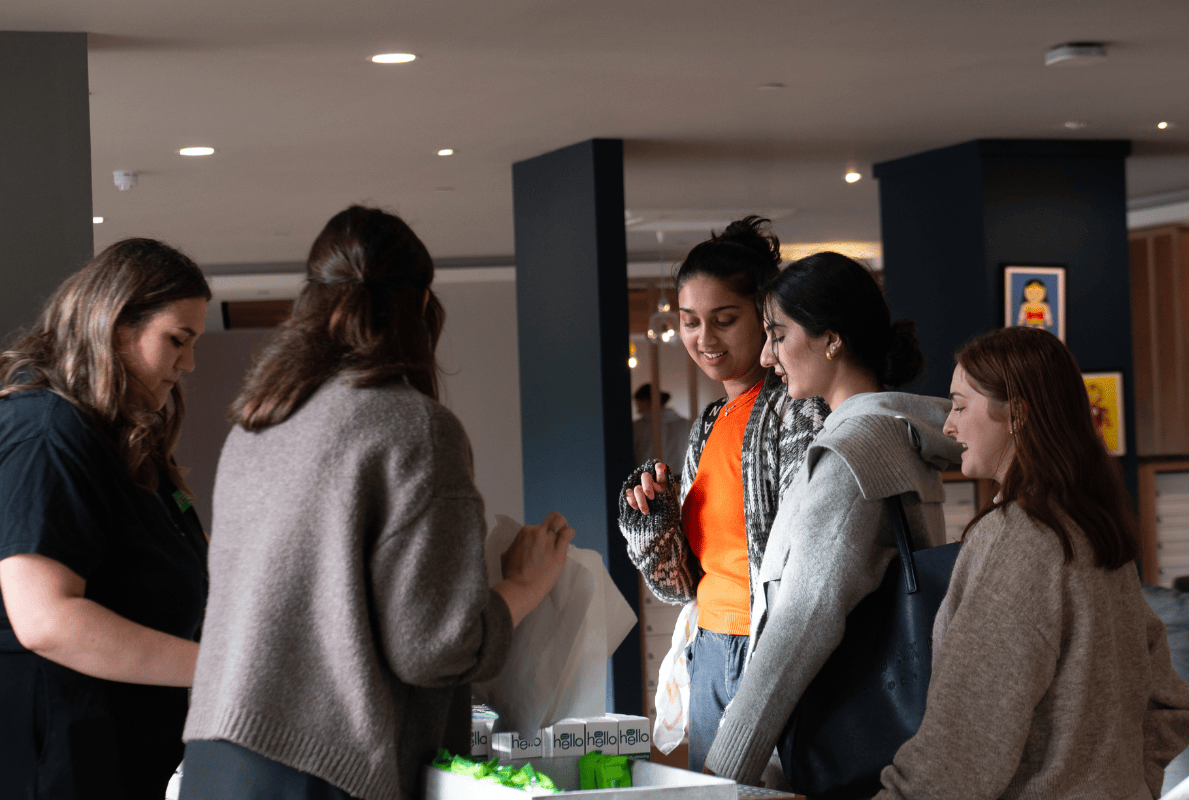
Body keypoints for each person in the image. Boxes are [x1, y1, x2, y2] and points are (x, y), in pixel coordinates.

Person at [180, 206, 574, 800]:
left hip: (217, 758)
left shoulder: (255, 426)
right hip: (327, 768)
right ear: (420, 308)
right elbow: (431, 648)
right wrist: (524, 585)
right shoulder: (415, 428)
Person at [874, 326, 1189, 800]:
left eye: (961, 406)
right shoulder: (1087, 527)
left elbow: (961, 746)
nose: (948, 426)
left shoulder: (1019, 540)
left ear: (1017, 415)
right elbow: (1172, 703)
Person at [701, 251, 960, 784]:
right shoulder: (892, 430)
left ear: (831, 338)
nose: (769, 356)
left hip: (846, 740)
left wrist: (728, 769)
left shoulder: (853, 452)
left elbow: (805, 618)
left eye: (779, 334)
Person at [0, 239, 212, 800]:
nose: (187, 364)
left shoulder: (116, 441)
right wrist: (229, 668)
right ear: (116, 324)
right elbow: (46, 619)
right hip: (60, 766)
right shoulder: (47, 431)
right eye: (177, 339)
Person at [620, 217, 829, 772]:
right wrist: (649, 523)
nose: (704, 340)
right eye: (689, 322)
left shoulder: (796, 407)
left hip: (777, 653)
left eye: (724, 320)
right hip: (712, 645)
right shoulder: (709, 422)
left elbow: (815, 554)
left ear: (766, 318)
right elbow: (680, 585)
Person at [631, 383, 690, 474]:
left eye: (638, 405)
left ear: (646, 401)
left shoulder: (638, 427)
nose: (637, 410)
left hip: (648, 482)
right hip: (680, 480)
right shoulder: (686, 424)